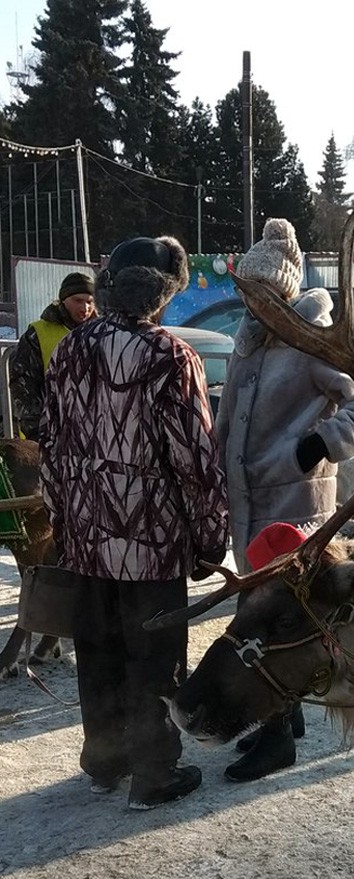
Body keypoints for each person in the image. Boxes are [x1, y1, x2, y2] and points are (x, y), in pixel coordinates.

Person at [38, 236, 228, 810]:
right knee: (155, 658)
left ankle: (105, 759)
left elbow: (50, 446)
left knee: (98, 651)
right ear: (162, 293)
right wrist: (210, 536)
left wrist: (62, 520)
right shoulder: (171, 356)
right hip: (153, 541)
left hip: (86, 539)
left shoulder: (70, 349)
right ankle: (154, 773)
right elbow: (196, 460)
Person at [217, 218, 354, 782]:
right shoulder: (247, 342)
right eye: (247, 290)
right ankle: (284, 717)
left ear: (283, 291)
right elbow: (228, 420)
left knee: (276, 622)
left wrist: (317, 446)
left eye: (261, 290)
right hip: (246, 505)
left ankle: (277, 737)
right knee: (258, 610)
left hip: (294, 506)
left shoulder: (313, 341)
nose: (251, 301)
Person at [9, 271, 96, 440]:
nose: (85, 308)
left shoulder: (101, 333)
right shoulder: (37, 334)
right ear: (63, 300)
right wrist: (36, 432)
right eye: (78, 301)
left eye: (90, 302)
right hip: (49, 433)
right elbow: (23, 384)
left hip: (93, 435)